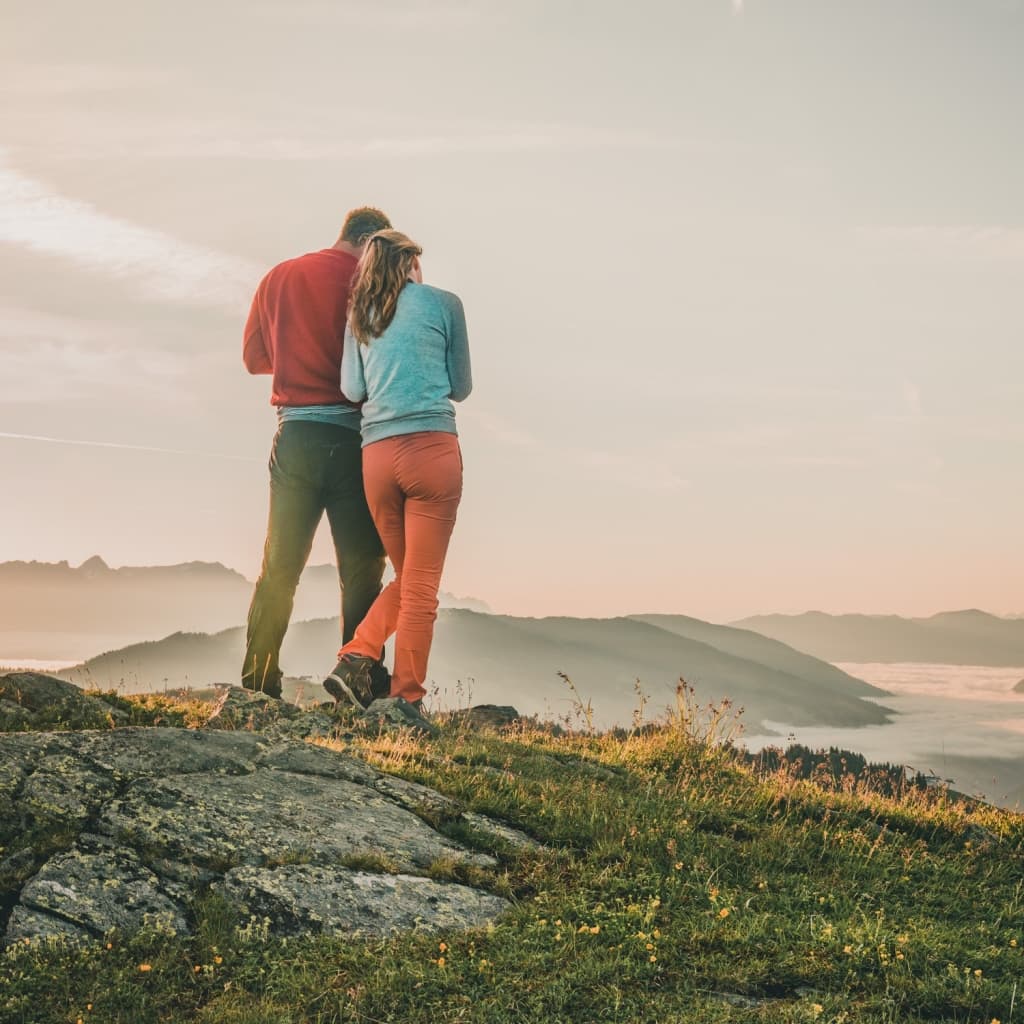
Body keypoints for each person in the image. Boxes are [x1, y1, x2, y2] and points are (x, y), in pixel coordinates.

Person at [241, 207, 393, 699]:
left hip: (296, 438)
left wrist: (298, 359)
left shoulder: (278, 277)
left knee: (279, 567)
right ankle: (360, 686)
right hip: (354, 441)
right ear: (372, 241)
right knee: (362, 569)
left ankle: (259, 683)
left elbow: (253, 360)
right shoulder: (375, 283)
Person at [322, 230, 472, 718]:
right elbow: (462, 387)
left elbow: (351, 389)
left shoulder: (359, 316)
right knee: (421, 585)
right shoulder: (445, 304)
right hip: (432, 452)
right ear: (410, 263)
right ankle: (404, 700)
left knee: (410, 577)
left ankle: (358, 654)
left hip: (378, 458)